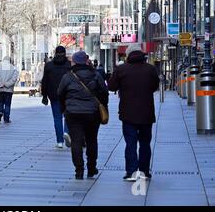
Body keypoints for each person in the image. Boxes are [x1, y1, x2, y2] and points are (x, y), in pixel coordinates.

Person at [108, 44, 159, 181]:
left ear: (128, 55)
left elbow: (111, 86)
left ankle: (131, 172)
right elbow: (155, 86)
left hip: (128, 113)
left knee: (130, 143)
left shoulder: (122, 69)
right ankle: (144, 172)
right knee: (145, 143)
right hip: (146, 113)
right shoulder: (150, 69)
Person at [57, 51, 109, 180]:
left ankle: (79, 171)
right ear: (86, 61)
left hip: (73, 114)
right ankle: (91, 168)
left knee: (76, 141)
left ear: (74, 62)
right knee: (92, 140)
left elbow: (60, 93)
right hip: (92, 114)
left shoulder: (68, 77)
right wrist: (103, 107)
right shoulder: (96, 75)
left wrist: (65, 108)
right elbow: (104, 93)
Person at [41, 45, 72, 149]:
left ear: (55, 53)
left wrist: (44, 96)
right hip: (67, 95)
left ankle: (59, 141)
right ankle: (67, 132)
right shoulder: (69, 65)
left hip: (54, 95)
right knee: (67, 116)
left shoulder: (49, 66)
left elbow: (44, 82)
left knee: (57, 118)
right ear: (65, 53)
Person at [0, 56, 19, 123]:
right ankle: (6, 118)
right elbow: (14, 79)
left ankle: (0, 111)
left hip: (0, 88)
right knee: (7, 103)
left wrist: (0, 84)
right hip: (8, 89)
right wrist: (7, 84)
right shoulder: (13, 68)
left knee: (0, 101)